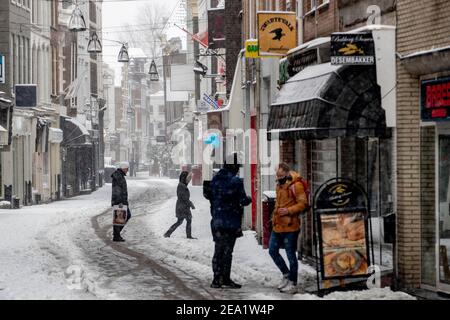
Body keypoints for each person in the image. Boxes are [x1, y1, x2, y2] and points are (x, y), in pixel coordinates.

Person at [209, 155, 252, 289]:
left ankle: (216, 279)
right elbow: (243, 200)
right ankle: (225, 278)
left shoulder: (215, 179)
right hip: (230, 221)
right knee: (227, 252)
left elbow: (210, 196)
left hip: (217, 221)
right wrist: (248, 199)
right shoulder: (235, 181)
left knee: (218, 250)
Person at [269, 163, 307, 294]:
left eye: (280, 175)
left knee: (291, 254)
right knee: (272, 251)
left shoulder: (296, 185)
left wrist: (289, 211)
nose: (278, 177)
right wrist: (273, 218)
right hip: (278, 225)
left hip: (291, 226)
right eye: (277, 175)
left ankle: (293, 282)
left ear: (286, 173)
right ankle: (286, 274)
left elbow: (303, 203)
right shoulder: (279, 185)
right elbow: (278, 204)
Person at [164, 171, 196, 239]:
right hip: (182, 207)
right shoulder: (182, 186)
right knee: (184, 221)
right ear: (184, 178)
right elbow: (184, 198)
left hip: (182, 206)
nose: (189, 180)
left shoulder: (182, 185)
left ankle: (168, 233)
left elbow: (185, 198)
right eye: (187, 179)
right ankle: (188, 236)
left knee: (181, 221)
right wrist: (191, 204)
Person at [111, 162, 132, 242]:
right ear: (123, 168)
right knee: (120, 217)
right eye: (127, 168)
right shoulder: (118, 176)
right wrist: (120, 201)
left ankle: (116, 234)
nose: (127, 170)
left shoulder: (119, 175)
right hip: (119, 201)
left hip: (121, 201)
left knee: (119, 218)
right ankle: (116, 235)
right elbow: (117, 190)